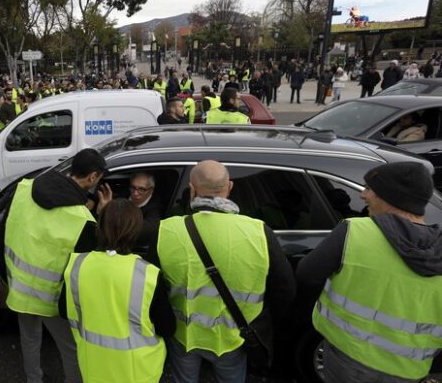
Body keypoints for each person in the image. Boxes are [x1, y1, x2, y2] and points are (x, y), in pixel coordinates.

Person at [296, 162, 442, 382]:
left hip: (348, 359)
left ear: (390, 196)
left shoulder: (355, 231)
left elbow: (307, 274)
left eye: (370, 188)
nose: (363, 194)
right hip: (410, 371)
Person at [154, 161, 295, 383]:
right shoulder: (259, 232)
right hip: (233, 337)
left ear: (192, 189)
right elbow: (285, 290)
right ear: (229, 187)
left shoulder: (166, 230)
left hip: (184, 335)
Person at [3, 148, 111, 383]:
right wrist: (101, 213)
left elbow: (10, 225)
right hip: (50, 298)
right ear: (92, 177)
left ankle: (34, 379)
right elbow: (93, 258)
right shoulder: (82, 219)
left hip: (19, 286)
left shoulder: (26, 187)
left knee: (29, 338)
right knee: (70, 348)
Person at [60, 199, 175, 383]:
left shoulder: (77, 266)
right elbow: (167, 328)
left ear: (100, 225)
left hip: (93, 367)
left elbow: (64, 311)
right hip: (139, 372)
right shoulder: (147, 274)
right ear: (135, 231)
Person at [128, 172, 163, 251]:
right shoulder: (121, 195)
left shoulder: (155, 210)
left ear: (151, 190)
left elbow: (147, 230)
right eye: (133, 187)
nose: (135, 193)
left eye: (141, 189)